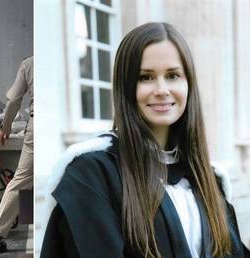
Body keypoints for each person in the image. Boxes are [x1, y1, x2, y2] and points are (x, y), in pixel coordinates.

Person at [40, 23, 250, 258]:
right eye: (145, 77)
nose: (162, 89)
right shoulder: (92, 174)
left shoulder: (209, 178)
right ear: (126, 86)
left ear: (188, 83)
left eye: (173, 75)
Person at [0, 56, 34, 253]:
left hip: (38, 125)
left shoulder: (30, 63)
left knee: (21, 179)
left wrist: (5, 127)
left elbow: (14, 99)